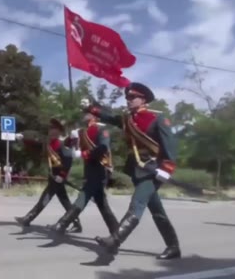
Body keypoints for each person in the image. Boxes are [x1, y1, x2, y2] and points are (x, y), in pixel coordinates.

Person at [82, 82, 181, 259]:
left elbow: (170, 145)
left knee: (137, 204)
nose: (128, 100)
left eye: (132, 97)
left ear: (143, 99)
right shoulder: (128, 119)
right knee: (157, 211)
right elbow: (109, 117)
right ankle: (173, 247)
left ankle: (115, 240)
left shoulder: (157, 119)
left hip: (153, 171)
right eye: (127, 97)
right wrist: (91, 108)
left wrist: (167, 168)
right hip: (138, 170)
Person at [46, 113, 119, 235]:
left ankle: (62, 223)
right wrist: (71, 138)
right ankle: (116, 232)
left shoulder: (101, 129)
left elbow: (103, 148)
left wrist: (84, 154)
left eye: (87, 112)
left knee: (84, 196)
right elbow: (67, 146)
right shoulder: (82, 131)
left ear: (94, 115)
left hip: (100, 169)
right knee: (102, 205)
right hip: (89, 170)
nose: (84, 114)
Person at [13, 119, 82, 233]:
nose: (52, 131)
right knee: (65, 201)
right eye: (51, 129)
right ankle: (76, 223)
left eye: (55, 129)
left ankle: (28, 218)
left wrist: (62, 175)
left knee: (45, 197)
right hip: (53, 175)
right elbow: (36, 142)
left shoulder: (62, 144)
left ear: (59, 132)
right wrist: (23, 138)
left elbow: (68, 161)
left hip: (58, 177)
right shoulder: (48, 142)